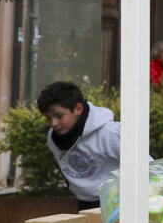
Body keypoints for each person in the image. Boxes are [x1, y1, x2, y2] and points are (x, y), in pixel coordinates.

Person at [38, 82, 123, 211]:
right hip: (84, 203)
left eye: (59, 116)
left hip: (117, 202)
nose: (54, 123)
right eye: (49, 118)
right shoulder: (53, 136)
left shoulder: (110, 133)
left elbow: (148, 168)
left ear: (78, 109)